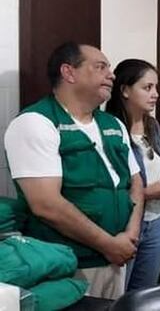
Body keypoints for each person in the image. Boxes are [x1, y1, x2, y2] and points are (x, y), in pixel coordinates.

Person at [4, 42, 144, 299]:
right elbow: (45, 204)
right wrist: (109, 244)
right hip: (67, 265)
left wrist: (130, 236)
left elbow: (135, 184)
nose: (111, 75)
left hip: (117, 257)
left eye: (110, 68)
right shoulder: (36, 123)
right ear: (69, 73)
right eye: (101, 67)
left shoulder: (112, 123)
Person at [105, 59, 160, 291]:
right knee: (119, 295)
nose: (156, 94)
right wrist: (147, 193)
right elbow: (110, 185)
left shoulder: (152, 126)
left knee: (144, 295)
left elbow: (154, 168)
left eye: (156, 87)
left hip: (158, 222)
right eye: (147, 87)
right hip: (126, 224)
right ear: (125, 90)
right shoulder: (109, 128)